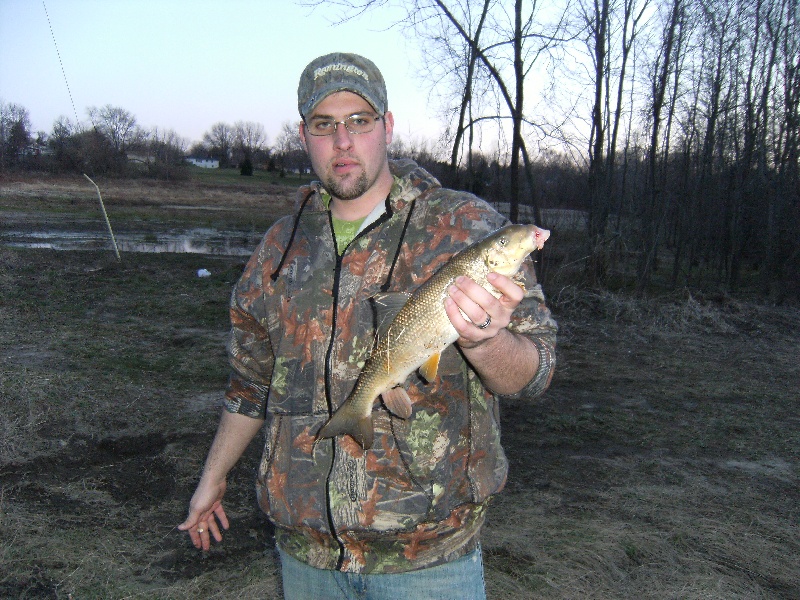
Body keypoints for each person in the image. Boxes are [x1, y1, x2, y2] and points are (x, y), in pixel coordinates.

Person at [179, 52, 558, 600]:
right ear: (304, 134)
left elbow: (537, 370)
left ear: (388, 126)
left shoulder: (464, 227)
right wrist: (211, 480)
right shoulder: (276, 250)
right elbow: (250, 384)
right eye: (324, 124)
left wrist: (487, 339)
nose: (343, 141)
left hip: (428, 562)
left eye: (359, 120)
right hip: (306, 556)